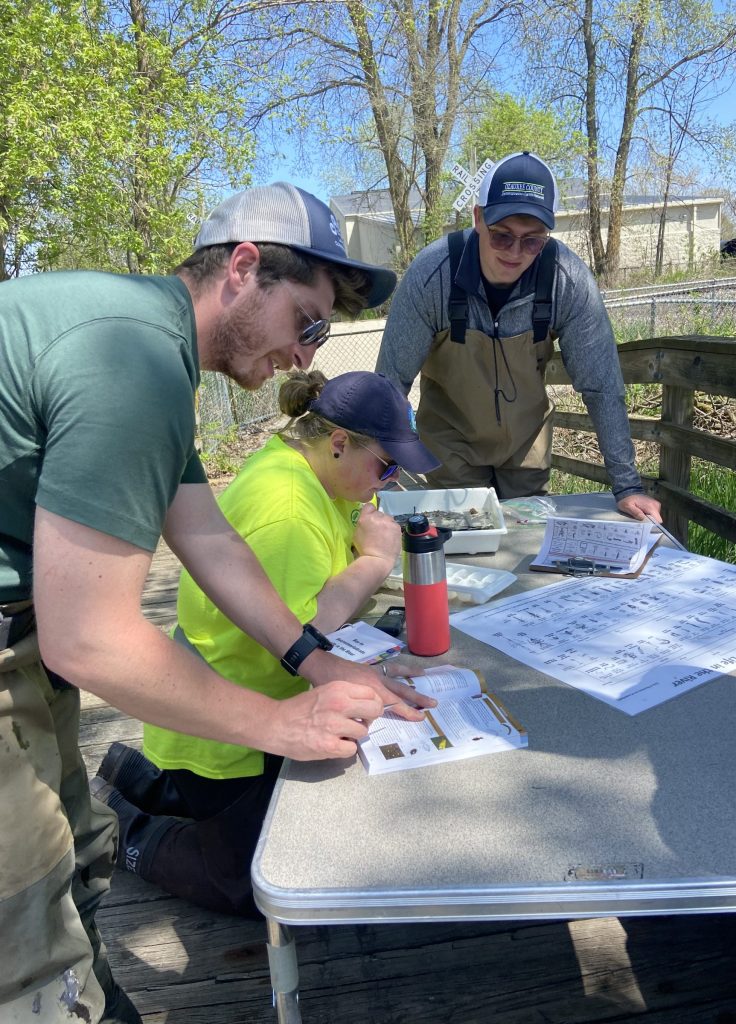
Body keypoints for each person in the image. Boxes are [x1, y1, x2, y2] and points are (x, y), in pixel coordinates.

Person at [0, 182, 433, 1023]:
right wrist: (281, 725)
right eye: (307, 323)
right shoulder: (128, 359)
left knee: (79, 853)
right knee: (22, 920)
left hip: (22, 630)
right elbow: (88, 641)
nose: (307, 359)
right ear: (243, 269)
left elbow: (207, 540)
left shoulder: (146, 347)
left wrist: (312, 660)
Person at [90, 369, 440, 917]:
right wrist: (373, 561)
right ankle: (117, 827)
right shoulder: (291, 509)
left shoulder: (309, 467)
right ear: (339, 442)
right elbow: (302, 636)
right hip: (226, 734)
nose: (390, 481)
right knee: (247, 884)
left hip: (233, 708)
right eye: (387, 465)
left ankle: (144, 779)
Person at [375, 151, 662, 521]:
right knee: (466, 543)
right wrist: (376, 471)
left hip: (525, 445)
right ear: (478, 218)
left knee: (527, 544)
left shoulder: (567, 281)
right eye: (502, 236)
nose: (515, 252)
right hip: (450, 445)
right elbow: (390, 383)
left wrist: (627, 486)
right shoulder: (433, 276)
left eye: (532, 241)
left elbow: (602, 384)